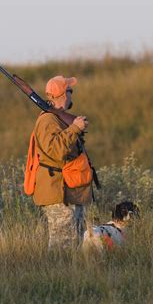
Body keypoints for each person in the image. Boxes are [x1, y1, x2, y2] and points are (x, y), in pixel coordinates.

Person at [32, 75, 93, 251]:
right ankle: (56, 277)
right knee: (62, 245)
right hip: (58, 191)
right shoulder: (47, 120)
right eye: (70, 91)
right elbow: (55, 151)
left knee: (74, 243)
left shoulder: (59, 118)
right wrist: (75, 128)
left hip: (68, 190)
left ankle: (69, 276)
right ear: (63, 94)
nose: (71, 95)